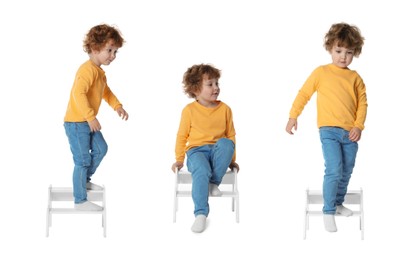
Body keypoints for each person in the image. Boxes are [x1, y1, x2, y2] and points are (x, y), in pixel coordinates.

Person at [285, 22, 367, 232]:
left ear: (354, 53)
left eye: (349, 52)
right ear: (330, 48)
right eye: (338, 51)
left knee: (347, 170)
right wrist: (293, 116)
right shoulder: (321, 72)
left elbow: (363, 104)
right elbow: (304, 94)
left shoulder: (355, 78)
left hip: (350, 133)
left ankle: (338, 202)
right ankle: (328, 210)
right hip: (328, 131)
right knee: (334, 168)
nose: (343, 56)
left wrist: (358, 126)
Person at [64, 24, 129, 211]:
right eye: (109, 50)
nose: (113, 56)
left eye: (115, 52)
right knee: (82, 160)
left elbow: (105, 92)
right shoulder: (87, 70)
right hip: (77, 122)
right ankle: (80, 200)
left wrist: (117, 106)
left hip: (86, 121)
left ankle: (83, 180)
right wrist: (90, 117)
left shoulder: (99, 73)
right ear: (94, 48)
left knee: (101, 149)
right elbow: (79, 93)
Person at [171, 64, 239, 233]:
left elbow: (231, 135)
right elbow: (182, 136)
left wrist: (232, 161)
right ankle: (201, 214)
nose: (216, 88)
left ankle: (213, 183)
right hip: (196, 151)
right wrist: (179, 159)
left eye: (217, 83)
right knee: (201, 169)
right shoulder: (189, 111)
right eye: (210, 84)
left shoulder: (225, 109)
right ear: (195, 89)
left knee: (226, 143)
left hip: (217, 151)